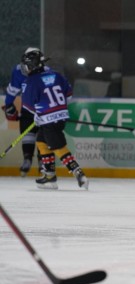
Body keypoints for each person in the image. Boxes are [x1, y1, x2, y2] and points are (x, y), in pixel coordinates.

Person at [20, 48, 89, 190]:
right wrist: (58, 111)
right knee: (41, 141)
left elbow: (28, 105)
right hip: (60, 117)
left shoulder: (30, 81)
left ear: (31, 65)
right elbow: (68, 96)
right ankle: (50, 177)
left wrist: (39, 114)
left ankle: (79, 174)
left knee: (58, 147)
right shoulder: (57, 75)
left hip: (47, 119)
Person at [1, 47, 46, 176]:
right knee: (27, 133)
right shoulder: (18, 71)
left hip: (44, 109)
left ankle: (43, 161)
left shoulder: (47, 72)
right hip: (28, 107)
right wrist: (9, 104)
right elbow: (13, 89)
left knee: (44, 134)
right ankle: (27, 158)